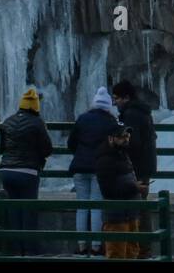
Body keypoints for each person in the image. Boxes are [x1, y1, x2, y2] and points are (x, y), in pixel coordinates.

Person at [0, 87, 53, 255]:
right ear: (35, 106)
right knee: (28, 212)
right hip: (28, 173)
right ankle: (30, 252)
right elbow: (47, 149)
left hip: (7, 171)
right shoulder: (37, 123)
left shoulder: (7, 122)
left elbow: (2, 147)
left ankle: (16, 251)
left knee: (14, 211)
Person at [67, 86, 121, 255]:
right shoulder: (111, 122)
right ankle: (97, 246)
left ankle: (82, 245)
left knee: (82, 206)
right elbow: (115, 147)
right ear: (107, 106)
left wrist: (81, 153)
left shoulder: (82, 118)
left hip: (80, 167)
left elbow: (71, 143)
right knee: (96, 206)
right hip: (99, 168)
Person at [112, 80, 157, 258]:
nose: (114, 102)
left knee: (137, 208)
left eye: (116, 98)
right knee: (140, 206)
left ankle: (141, 248)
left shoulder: (131, 115)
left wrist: (117, 145)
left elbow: (133, 142)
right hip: (144, 166)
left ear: (126, 97)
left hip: (136, 168)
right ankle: (141, 247)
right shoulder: (140, 112)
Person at [95, 125, 143, 259]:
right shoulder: (105, 160)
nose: (126, 139)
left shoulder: (123, 155)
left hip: (131, 213)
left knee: (132, 252)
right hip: (116, 217)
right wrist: (135, 188)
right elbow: (108, 191)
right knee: (116, 254)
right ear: (110, 139)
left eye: (127, 136)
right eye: (121, 137)